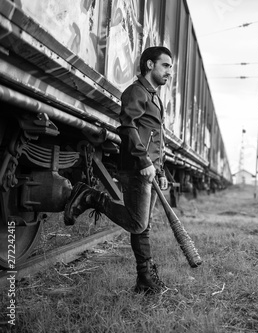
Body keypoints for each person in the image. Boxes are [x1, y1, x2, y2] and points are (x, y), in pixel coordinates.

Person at [64, 46, 173, 295]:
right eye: (165, 65)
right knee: (137, 223)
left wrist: (161, 169)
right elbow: (127, 126)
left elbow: (157, 137)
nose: (169, 71)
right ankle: (91, 196)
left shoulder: (155, 97)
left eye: (170, 67)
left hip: (150, 169)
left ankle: (144, 281)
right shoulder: (136, 92)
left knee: (144, 226)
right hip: (136, 167)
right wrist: (144, 161)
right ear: (149, 65)